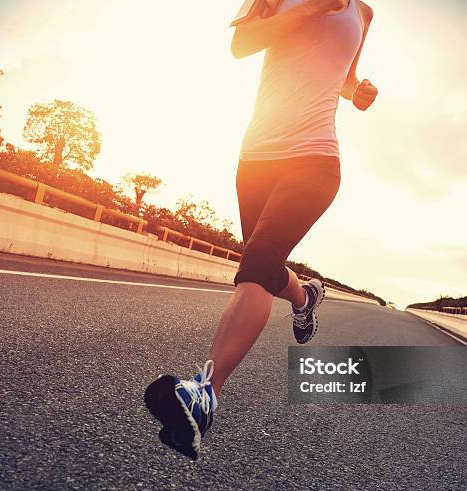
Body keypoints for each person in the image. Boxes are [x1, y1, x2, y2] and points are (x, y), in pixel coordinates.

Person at [144, 0, 378, 459]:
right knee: (263, 265)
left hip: (315, 158)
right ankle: (305, 297)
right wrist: (311, 8)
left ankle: (204, 394)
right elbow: (242, 44)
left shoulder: (364, 13)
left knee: (256, 264)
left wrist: (359, 91)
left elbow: (345, 74)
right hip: (256, 158)